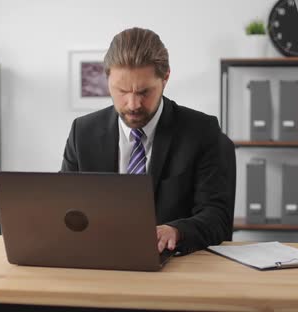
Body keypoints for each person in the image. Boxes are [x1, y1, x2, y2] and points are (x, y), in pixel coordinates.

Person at [61, 27, 231, 255]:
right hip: (98, 261)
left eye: (144, 92)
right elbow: (63, 208)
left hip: (172, 266)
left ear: (165, 78)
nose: (132, 104)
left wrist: (177, 231)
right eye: (121, 91)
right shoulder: (82, 132)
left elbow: (217, 217)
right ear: (107, 79)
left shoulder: (201, 131)